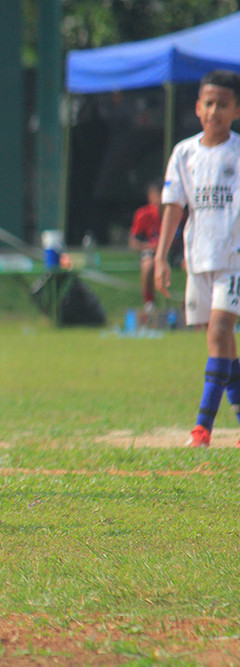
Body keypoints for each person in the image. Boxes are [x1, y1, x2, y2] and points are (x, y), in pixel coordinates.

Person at [154, 69, 240, 449]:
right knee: (217, 341)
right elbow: (174, 208)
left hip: (234, 258)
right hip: (198, 257)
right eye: (209, 103)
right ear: (197, 108)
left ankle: (202, 429)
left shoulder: (237, 153)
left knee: (220, 332)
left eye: (223, 103)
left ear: (236, 109)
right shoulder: (184, 153)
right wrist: (161, 257)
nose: (214, 110)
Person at [128, 180, 162, 325]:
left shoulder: (174, 212)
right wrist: (150, 246)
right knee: (148, 265)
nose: (161, 199)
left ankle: (188, 303)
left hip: (171, 252)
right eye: (157, 195)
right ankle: (149, 303)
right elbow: (133, 243)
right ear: (150, 196)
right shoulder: (143, 214)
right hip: (152, 252)